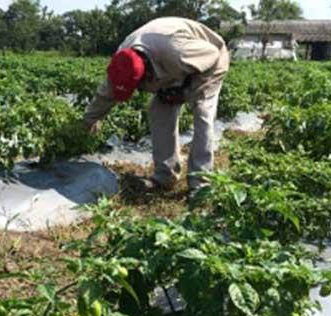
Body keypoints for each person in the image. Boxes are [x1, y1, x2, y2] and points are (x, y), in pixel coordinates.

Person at [83, 17, 230, 194]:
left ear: (147, 73)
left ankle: (200, 184)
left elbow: (212, 54)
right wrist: (89, 121)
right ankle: (165, 176)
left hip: (209, 63)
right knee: (158, 110)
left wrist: (185, 89)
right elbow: (105, 94)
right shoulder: (121, 62)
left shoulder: (177, 52)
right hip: (171, 65)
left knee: (202, 112)